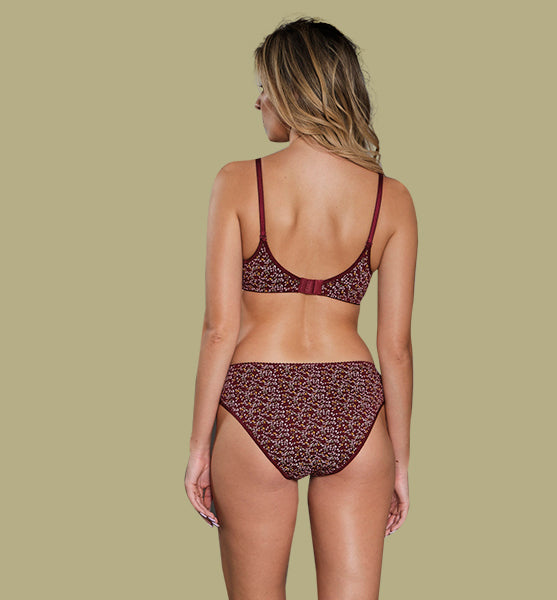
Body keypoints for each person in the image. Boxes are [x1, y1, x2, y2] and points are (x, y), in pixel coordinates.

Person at [184, 16, 417, 599]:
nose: (258, 101)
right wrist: (400, 460)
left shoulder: (238, 182)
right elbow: (396, 348)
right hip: (354, 406)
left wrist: (197, 448)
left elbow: (219, 329)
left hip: (256, 398)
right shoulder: (391, 198)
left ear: (292, 90)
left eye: (264, 86)